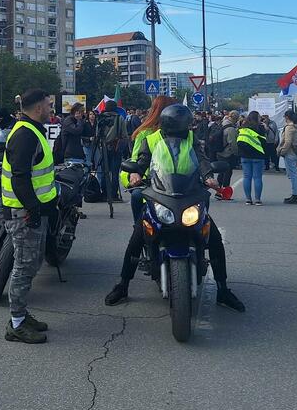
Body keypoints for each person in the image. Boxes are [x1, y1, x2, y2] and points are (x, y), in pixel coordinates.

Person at [104, 103, 245, 311]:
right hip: (160, 193)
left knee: (213, 239)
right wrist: (135, 173)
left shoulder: (191, 140)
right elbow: (142, 161)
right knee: (137, 238)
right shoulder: (151, 140)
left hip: (189, 192)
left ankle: (223, 289)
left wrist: (209, 178)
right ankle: (123, 285)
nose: (186, 130)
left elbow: (203, 160)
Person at [0, 88, 57, 344]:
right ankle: (16, 323)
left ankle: (22, 316)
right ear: (37, 108)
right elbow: (20, 178)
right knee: (23, 267)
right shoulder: (25, 135)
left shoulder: (32, 130)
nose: (51, 109)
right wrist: (33, 210)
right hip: (23, 213)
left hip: (32, 211)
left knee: (31, 264)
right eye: (48, 105)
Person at [120, 95, 177, 224]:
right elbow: (135, 160)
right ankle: (139, 232)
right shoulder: (145, 133)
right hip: (151, 185)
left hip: (178, 185)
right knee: (137, 196)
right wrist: (134, 174)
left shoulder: (182, 133)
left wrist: (206, 176)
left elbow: (196, 158)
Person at [95, 103, 129, 201]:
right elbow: (125, 135)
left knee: (104, 171)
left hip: (103, 148)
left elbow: (97, 134)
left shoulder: (101, 118)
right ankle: (114, 194)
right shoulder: (119, 118)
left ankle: (104, 193)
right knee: (115, 172)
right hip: (116, 148)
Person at [237, 111, 267, 205]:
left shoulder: (243, 128)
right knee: (257, 178)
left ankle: (248, 199)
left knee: (247, 177)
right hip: (258, 156)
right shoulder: (260, 128)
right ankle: (257, 199)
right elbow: (264, 142)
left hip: (245, 156)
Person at [277, 110, 297, 204]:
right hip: (295, 153)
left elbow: (287, 142)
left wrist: (282, 151)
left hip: (290, 153)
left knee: (292, 175)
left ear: (287, 117)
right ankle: (294, 194)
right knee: (293, 175)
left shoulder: (289, 128)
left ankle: (295, 195)